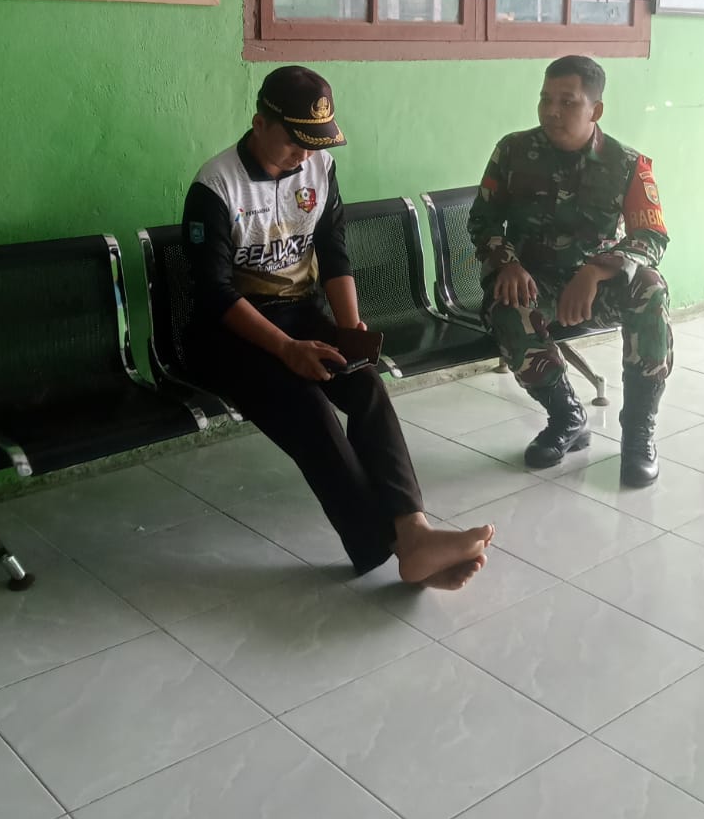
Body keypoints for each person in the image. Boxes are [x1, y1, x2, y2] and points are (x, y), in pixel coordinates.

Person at [182, 65, 493, 589]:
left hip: (300, 313)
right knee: (307, 408)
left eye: (314, 143)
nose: (304, 155)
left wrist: (349, 330)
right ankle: (397, 549)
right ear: (259, 124)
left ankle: (413, 529)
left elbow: (333, 251)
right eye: (294, 141)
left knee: (365, 385)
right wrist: (287, 349)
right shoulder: (216, 186)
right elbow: (215, 294)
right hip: (229, 334)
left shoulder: (319, 168)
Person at [468, 54, 673, 480]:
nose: (552, 111)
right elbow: (482, 221)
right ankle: (567, 417)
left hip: (595, 286)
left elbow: (651, 236)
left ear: (595, 110)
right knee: (508, 307)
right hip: (532, 281)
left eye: (567, 101)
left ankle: (639, 432)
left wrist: (597, 271)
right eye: (546, 99)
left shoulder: (627, 164)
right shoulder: (513, 151)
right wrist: (507, 264)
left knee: (651, 288)